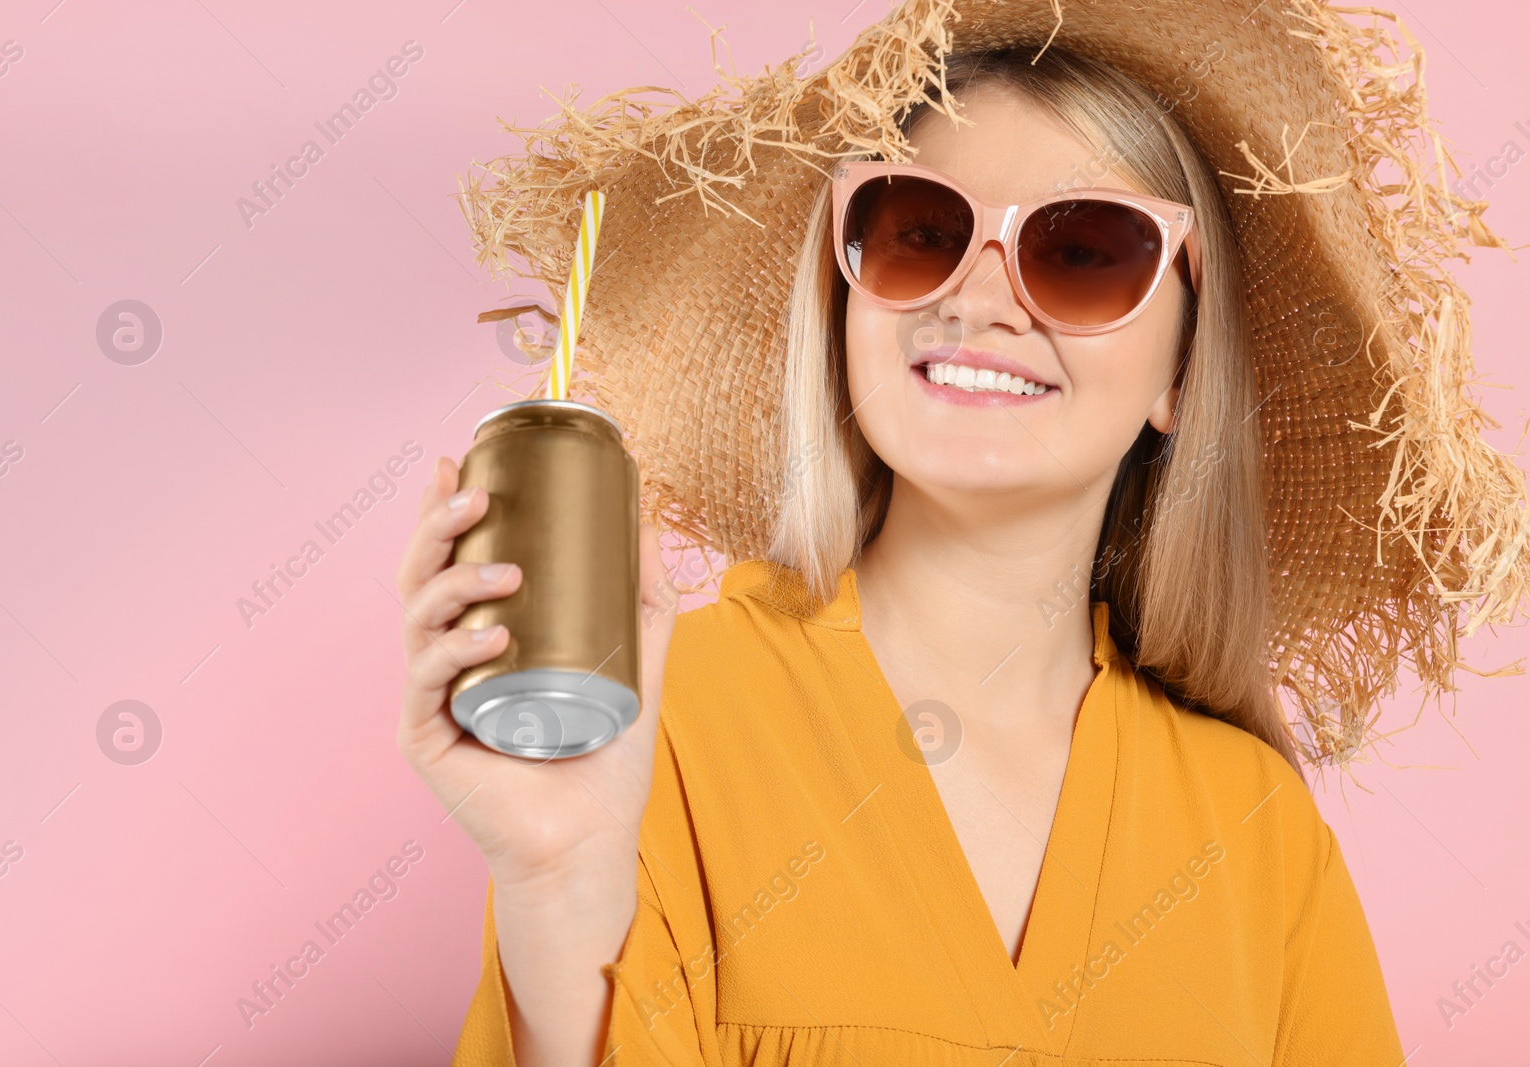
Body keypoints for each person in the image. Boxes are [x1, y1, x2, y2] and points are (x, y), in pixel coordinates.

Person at [399, 2, 1526, 1064]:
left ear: (1179, 371)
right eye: (920, 231)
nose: (979, 300)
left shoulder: (1257, 832)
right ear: (844, 305)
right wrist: (556, 884)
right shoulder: (660, 717)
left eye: (1086, 248)